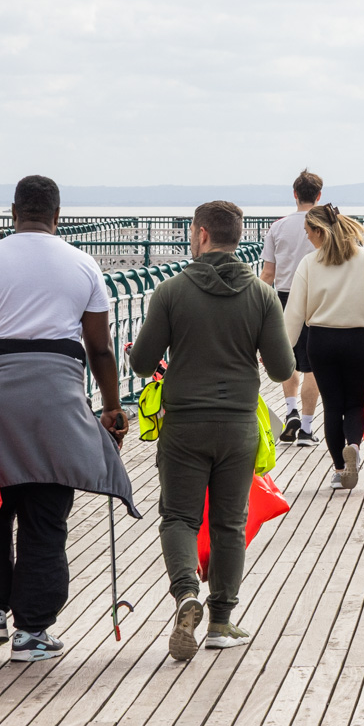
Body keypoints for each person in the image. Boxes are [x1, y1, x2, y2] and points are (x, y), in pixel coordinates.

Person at [0, 175, 136, 664]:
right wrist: (111, 408)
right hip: (56, 403)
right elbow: (100, 347)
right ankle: (33, 633)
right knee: (46, 519)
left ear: (13, 212)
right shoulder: (83, 265)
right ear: (57, 216)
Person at [128, 200, 294, 659]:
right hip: (239, 425)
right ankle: (220, 621)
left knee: (179, 517)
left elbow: (143, 364)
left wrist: (136, 352)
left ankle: (185, 594)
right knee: (229, 523)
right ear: (237, 237)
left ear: (201, 234)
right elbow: (283, 368)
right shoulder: (260, 296)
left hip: (184, 425)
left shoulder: (172, 291)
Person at [285, 205, 364, 489]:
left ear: (319, 231)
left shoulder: (309, 264)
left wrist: (281, 349)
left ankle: (340, 469)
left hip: (321, 342)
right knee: (355, 403)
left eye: (308, 233)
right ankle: (354, 444)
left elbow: (294, 314)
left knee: (332, 406)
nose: (307, 238)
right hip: (356, 340)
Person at [260, 168, 322, 443]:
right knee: (312, 365)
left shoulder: (278, 226)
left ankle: (291, 412)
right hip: (318, 298)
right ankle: (307, 429)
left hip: (285, 296)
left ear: (295, 195)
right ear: (318, 196)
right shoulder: (326, 227)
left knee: (289, 360)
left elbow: (268, 274)